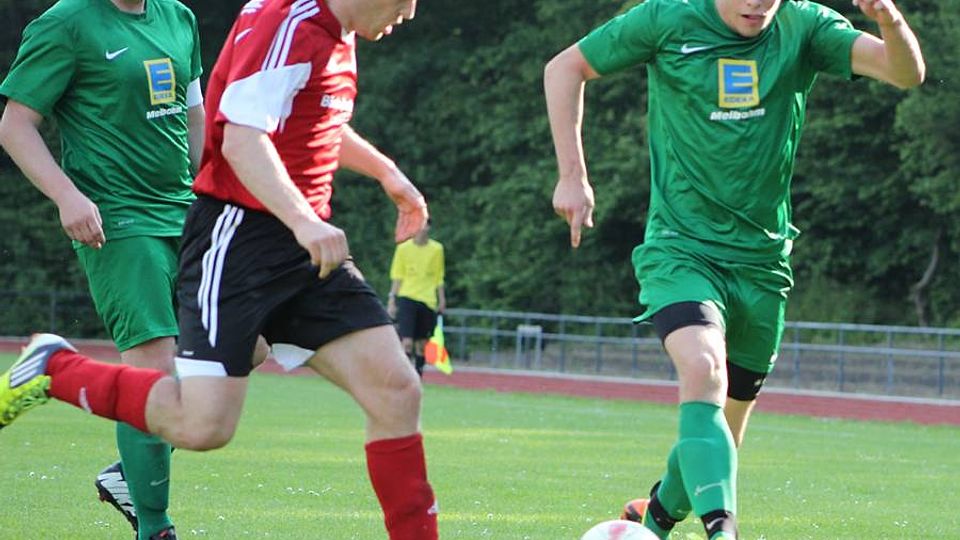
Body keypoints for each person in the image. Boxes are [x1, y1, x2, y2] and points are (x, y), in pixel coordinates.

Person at [0, 0, 439, 538]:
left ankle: (136, 458)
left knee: (395, 389)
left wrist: (387, 174)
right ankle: (65, 382)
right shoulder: (286, 24)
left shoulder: (215, 21)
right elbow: (240, 135)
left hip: (258, 231)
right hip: (197, 231)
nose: (410, 12)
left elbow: (267, 122)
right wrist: (68, 196)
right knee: (186, 407)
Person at [544, 0, 924, 538]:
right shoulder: (667, 18)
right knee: (703, 370)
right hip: (682, 249)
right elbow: (565, 67)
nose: (758, 3)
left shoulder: (804, 25)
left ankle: (654, 518)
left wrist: (889, 19)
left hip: (763, 265)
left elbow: (905, 73)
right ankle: (723, 531)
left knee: (724, 425)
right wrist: (572, 175)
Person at [0, 0, 208, 537]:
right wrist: (66, 196)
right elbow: (15, 124)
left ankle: (122, 461)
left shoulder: (178, 17)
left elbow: (193, 110)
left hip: (187, 212)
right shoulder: (66, 23)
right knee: (153, 370)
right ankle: (154, 526)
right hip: (118, 220)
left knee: (247, 343)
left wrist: (212, 188)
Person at [387, 219, 446, 376]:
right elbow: (397, 276)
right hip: (407, 297)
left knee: (421, 344)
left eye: (424, 224)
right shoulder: (403, 249)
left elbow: (438, 276)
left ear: (429, 227)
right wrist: (392, 300)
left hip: (427, 300)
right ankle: (405, 377)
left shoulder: (437, 249)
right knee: (406, 342)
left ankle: (418, 376)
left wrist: (441, 299)